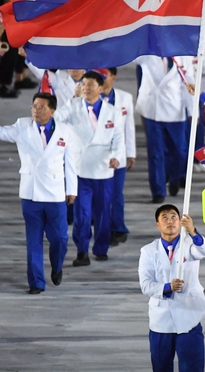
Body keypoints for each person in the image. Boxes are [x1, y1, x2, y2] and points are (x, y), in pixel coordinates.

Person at [0, 91, 78, 293]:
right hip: (31, 192)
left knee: (59, 238)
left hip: (55, 193)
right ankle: (36, 283)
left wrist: (72, 189)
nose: (36, 110)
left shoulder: (65, 131)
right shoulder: (22, 126)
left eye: (41, 107)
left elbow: (70, 162)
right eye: (34, 106)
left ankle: (57, 266)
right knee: (33, 240)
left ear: (52, 110)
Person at [54, 72, 124, 266]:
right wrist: (72, 98)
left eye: (90, 84)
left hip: (103, 169)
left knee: (102, 213)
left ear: (100, 88)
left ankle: (101, 248)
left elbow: (119, 138)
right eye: (83, 84)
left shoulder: (113, 112)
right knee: (82, 214)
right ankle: (82, 251)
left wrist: (117, 157)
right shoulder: (73, 106)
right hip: (80, 169)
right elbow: (56, 118)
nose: (86, 87)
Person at [138, 205, 205, 372]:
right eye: (165, 217)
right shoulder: (148, 251)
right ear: (158, 224)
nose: (170, 221)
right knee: (161, 367)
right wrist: (167, 287)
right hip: (161, 321)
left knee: (192, 367)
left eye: (174, 217)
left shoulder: (190, 244)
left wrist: (193, 231)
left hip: (189, 317)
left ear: (180, 222)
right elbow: (146, 285)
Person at [134, 56, 190, 203]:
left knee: (180, 151)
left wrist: (192, 110)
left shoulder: (183, 56)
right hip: (152, 110)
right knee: (155, 153)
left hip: (175, 110)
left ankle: (175, 177)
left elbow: (189, 83)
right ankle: (158, 190)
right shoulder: (147, 54)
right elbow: (130, 51)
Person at [101, 68, 136, 246]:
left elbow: (129, 127)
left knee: (116, 194)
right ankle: (103, 229)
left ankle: (118, 228)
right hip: (97, 157)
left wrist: (131, 153)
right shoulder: (89, 98)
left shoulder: (125, 98)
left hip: (119, 155)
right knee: (101, 196)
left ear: (113, 77)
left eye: (103, 75)